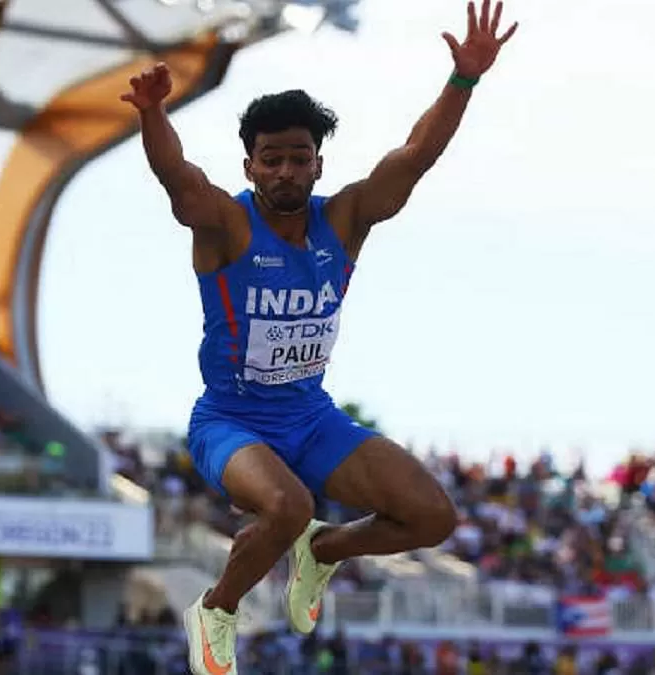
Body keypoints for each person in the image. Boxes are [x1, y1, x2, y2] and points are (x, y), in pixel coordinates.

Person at [122, 1, 517, 673]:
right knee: (285, 505)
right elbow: (178, 181)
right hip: (231, 421)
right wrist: (154, 116)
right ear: (249, 167)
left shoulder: (347, 220)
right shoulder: (226, 226)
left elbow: (415, 155)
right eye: (270, 160)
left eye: (298, 159)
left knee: (432, 518)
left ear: (317, 165)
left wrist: (464, 80)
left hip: (311, 416)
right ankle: (217, 609)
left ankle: (324, 549)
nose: (285, 172)